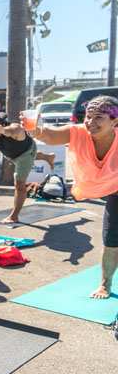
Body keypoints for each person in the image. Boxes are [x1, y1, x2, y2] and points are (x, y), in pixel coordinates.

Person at [29, 95, 118, 299]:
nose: (90, 122)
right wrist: (36, 130)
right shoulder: (79, 133)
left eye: (98, 118)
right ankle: (105, 284)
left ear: (115, 121)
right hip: (115, 195)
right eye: (88, 116)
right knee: (111, 241)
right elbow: (50, 136)